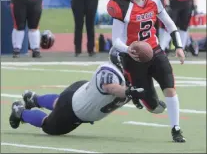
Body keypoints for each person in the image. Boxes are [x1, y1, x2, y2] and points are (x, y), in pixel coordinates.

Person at [107, 0, 186, 142]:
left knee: (170, 89)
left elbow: (169, 24)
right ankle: (136, 92)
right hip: (133, 57)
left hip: (155, 51)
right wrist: (129, 50)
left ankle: (176, 129)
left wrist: (179, 46)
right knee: (154, 108)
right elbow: (116, 40)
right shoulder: (121, 6)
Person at [9, 48, 146, 135]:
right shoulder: (110, 72)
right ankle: (20, 112)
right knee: (48, 126)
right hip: (75, 109)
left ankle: (35, 99)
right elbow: (110, 87)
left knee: (60, 102)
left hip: (79, 96)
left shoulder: (129, 79)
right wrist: (130, 93)